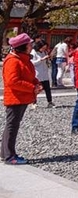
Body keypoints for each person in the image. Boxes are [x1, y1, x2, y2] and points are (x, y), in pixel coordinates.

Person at [2, 33, 42, 165]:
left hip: (21, 97)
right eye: (29, 44)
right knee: (12, 126)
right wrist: (32, 88)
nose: (31, 46)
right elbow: (13, 81)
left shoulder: (23, 59)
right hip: (15, 98)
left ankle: (5, 153)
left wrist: (36, 83)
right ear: (23, 46)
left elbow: (29, 75)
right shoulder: (13, 61)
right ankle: (9, 156)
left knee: (13, 125)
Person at [30, 39, 54, 108]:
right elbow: (32, 63)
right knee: (36, 89)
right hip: (37, 73)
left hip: (45, 73)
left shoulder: (44, 52)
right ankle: (33, 102)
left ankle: (50, 102)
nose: (44, 49)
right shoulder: (33, 52)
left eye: (45, 48)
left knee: (47, 89)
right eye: (43, 47)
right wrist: (41, 59)